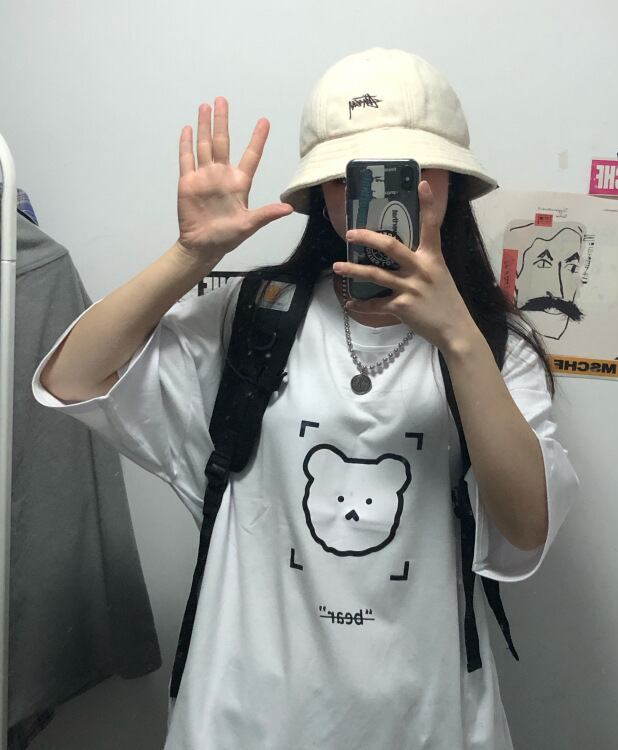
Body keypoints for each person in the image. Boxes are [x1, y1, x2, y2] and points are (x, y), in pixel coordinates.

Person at [33, 48, 580, 750]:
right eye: (352, 176)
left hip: (427, 719)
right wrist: (190, 256)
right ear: (323, 191)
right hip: (242, 717)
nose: (382, 195)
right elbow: (71, 380)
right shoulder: (253, 315)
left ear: (451, 181)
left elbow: (526, 528)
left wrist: (459, 339)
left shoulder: (496, 347)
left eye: (412, 168)